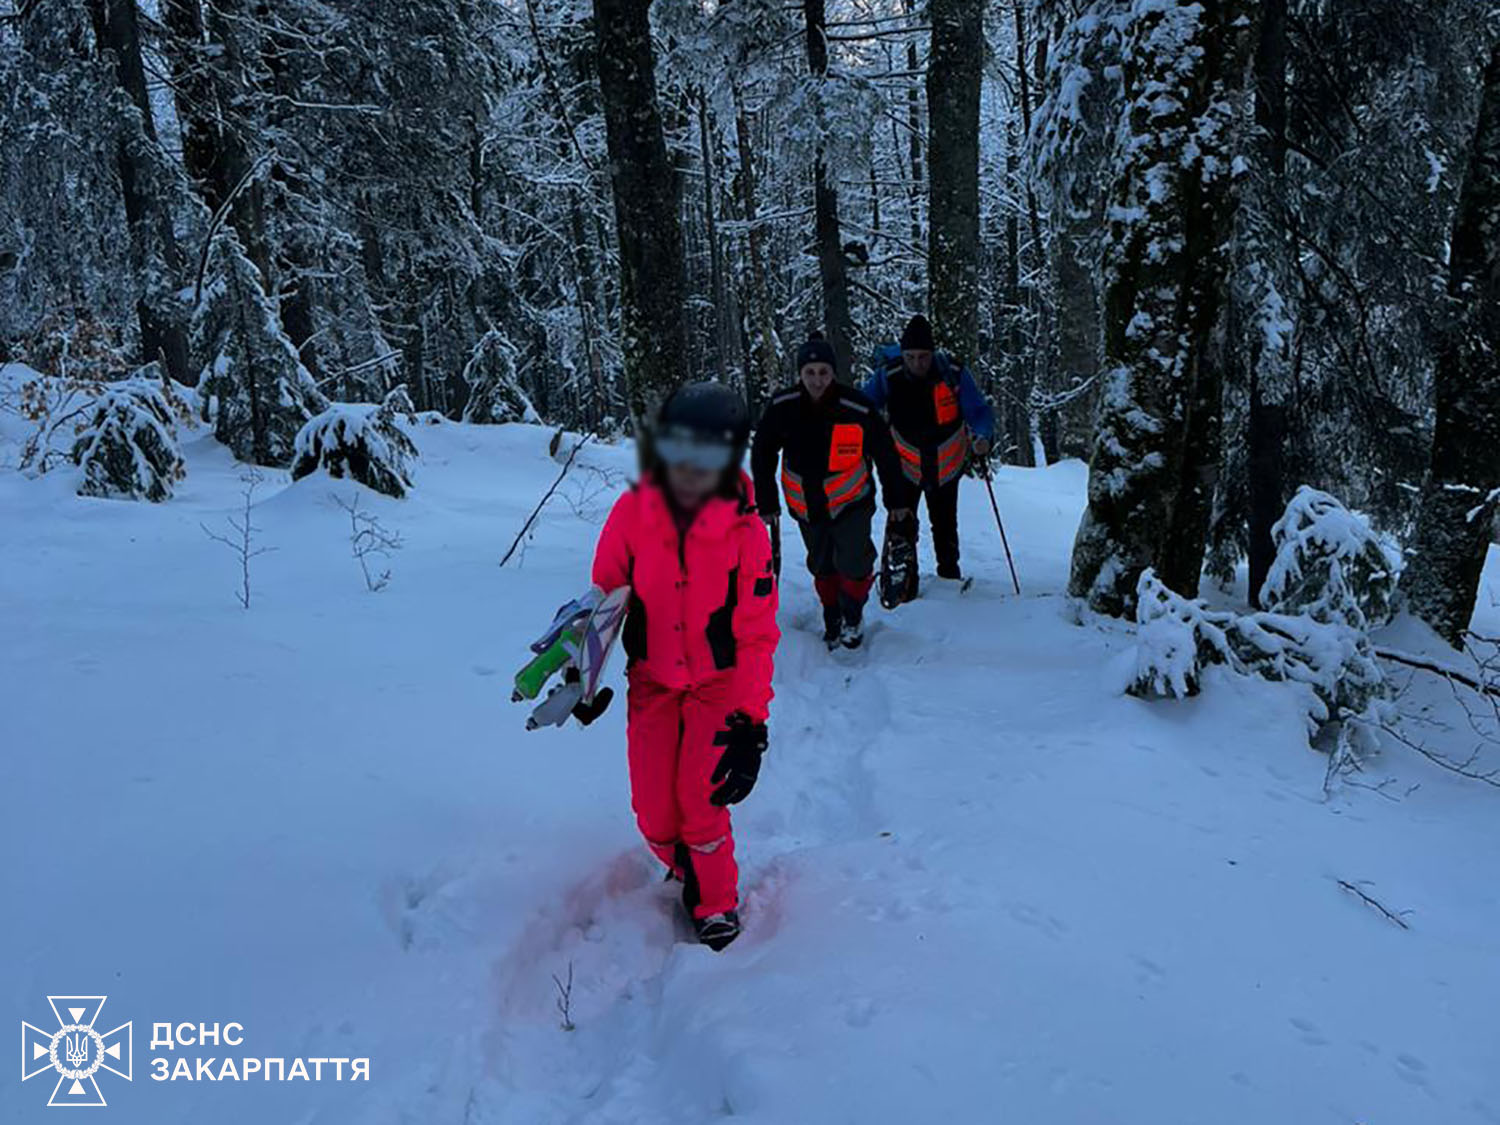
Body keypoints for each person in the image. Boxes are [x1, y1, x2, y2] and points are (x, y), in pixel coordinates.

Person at [590, 382, 779, 951]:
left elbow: (755, 633)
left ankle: (716, 903)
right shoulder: (633, 511)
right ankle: (685, 866)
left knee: (702, 805)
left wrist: (751, 723)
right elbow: (604, 597)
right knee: (653, 813)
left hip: (717, 688)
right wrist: (582, 672)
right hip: (651, 681)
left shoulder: (747, 531)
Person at [751, 333, 907, 649]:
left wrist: (897, 500)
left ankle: (852, 615)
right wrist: (766, 501)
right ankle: (832, 613)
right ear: (800, 374)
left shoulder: (856, 406)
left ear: (833, 372)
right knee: (821, 563)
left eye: (823, 372)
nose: (817, 380)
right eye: (810, 373)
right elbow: (763, 451)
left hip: (852, 501)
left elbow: (886, 453)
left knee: (854, 560)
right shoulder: (783, 406)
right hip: (806, 505)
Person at [861, 314, 996, 588]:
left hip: (946, 464)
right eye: (911, 356)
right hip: (904, 465)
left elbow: (978, 410)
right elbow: (863, 406)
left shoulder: (952, 373)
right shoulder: (889, 375)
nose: (917, 363)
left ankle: (949, 579)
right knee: (903, 523)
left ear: (932, 353)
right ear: (903, 353)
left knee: (945, 524)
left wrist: (982, 436)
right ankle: (904, 581)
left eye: (923, 356)